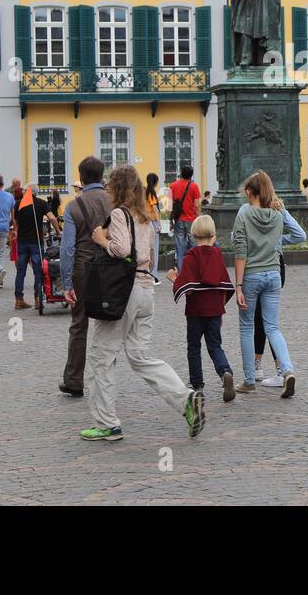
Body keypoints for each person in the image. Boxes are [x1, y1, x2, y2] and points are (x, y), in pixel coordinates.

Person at [64, 163, 205, 442]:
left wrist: (101, 239)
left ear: (115, 188)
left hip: (124, 293)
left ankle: (107, 424)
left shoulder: (118, 214)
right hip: (145, 291)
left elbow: (120, 250)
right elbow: (150, 258)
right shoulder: (146, 218)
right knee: (141, 357)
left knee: (101, 357)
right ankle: (185, 399)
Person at [232, 170, 296, 397]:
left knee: (247, 327)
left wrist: (238, 286)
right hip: (273, 274)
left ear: (250, 191)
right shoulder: (277, 215)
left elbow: (240, 251)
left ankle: (249, 380)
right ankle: (287, 370)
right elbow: (288, 238)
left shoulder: (244, 213)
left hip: (251, 276)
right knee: (272, 326)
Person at [58, 157, 111, 398]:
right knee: (110, 322)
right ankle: (105, 380)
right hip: (110, 267)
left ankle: (74, 379)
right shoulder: (114, 202)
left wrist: (66, 282)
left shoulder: (73, 206)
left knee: (79, 324)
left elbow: (67, 248)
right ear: (101, 176)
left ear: (82, 177)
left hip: (82, 268)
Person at [171, 214, 236, 402]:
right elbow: (224, 285)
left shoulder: (190, 256)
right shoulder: (217, 255)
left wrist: (175, 280)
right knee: (215, 345)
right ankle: (225, 371)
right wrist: (220, 309)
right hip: (215, 310)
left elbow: (188, 290)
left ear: (193, 234)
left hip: (195, 311)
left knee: (194, 347)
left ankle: (197, 385)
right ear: (213, 234)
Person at [255, 195, 306, 387]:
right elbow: (300, 235)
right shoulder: (278, 208)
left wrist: (273, 241)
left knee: (261, 320)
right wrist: (278, 241)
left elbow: (238, 237)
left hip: (259, 265)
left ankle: (266, 368)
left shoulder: (252, 210)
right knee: (267, 319)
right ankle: (265, 366)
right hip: (277, 266)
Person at [12, 185, 58, 310]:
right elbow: (52, 218)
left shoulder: (18, 204)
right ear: (36, 193)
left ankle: (18, 300)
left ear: (27, 192)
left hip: (22, 241)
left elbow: (15, 221)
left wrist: (17, 231)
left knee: (20, 272)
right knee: (38, 271)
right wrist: (59, 231)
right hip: (35, 242)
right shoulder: (41, 203)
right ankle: (38, 299)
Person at [168, 165, 200, 272]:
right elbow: (197, 205)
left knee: (180, 248)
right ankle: (193, 270)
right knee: (193, 246)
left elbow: (169, 205)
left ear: (181, 173)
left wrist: (170, 220)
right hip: (191, 220)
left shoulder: (173, 186)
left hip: (179, 219)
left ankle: (181, 273)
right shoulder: (194, 186)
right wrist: (198, 218)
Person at [145, 172, 161, 265]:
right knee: (154, 248)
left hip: (146, 221)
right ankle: (154, 275)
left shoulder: (145, 192)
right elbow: (155, 209)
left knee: (148, 248)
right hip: (153, 222)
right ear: (155, 182)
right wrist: (159, 224)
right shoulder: (152, 193)